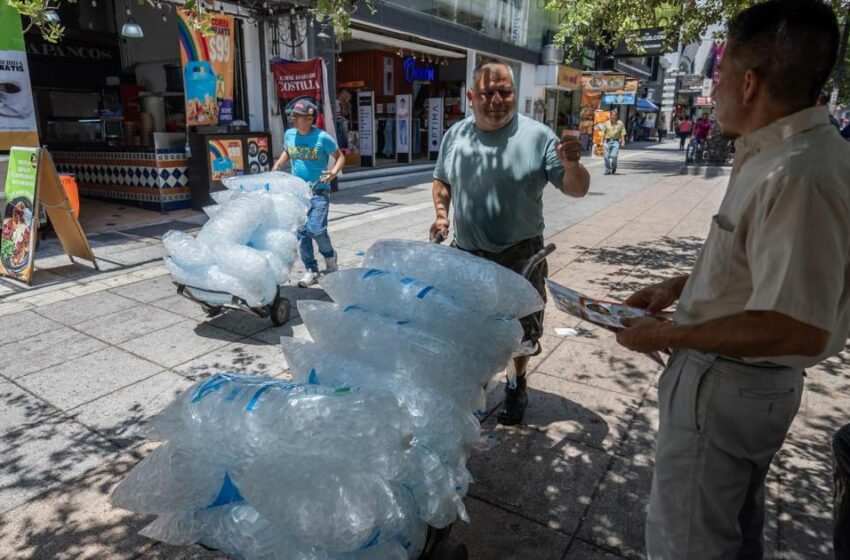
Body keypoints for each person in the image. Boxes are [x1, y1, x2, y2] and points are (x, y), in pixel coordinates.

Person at [615, 1, 848, 557]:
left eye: (719, 75)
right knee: (729, 530)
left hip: (728, 387)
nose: (712, 89)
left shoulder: (799, 173)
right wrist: (678, 286)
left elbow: (797, 329)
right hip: (738, 389)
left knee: (688, 543)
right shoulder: (777, 156)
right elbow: (750, 261)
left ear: (748, 83)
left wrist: (668, 334)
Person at [430, 60, 590, 425]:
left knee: (522, 331)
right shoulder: (456, 136)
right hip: (468, 252)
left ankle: (517, 383)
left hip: (521, 253)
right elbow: (442, 181)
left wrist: (572, 166)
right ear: (471, 97)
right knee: (469, 327)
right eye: (488, 93)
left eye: (506, 92)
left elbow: (576, 190)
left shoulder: (538, 136)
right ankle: (477, 382)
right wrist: (442, 215)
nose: (497, 100)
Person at [272, 99, 345, 288]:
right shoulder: (289, 134)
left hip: (319, 190)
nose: (293, 119)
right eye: (292, 115)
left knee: (316, 230)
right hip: (297, 193)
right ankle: (311, 270)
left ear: (310, 118)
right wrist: (279, 164)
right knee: (302, 234)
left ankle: (330, 257)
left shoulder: (322, 138)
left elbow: (340, 157)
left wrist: (333, 172)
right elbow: (289, 151)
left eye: (297, 116)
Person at [600, 109, 627, 175]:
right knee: (606, 157)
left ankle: (614, 167)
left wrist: (623, 141)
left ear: (617, 116)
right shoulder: (606, 123)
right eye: (612, 115)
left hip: (615, 142)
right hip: (607, 141)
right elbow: (603, 133)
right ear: (610, 116)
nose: (613, 117)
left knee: (613, 156)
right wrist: (601, 141)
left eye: (614, 115)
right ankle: (608, 170)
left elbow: (622, 133)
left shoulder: (620, 123)